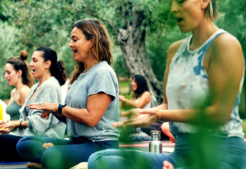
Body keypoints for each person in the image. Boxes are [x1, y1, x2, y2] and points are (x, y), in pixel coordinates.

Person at [88, 0, 246, 169]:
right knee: (99, 160)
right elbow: (167, 105)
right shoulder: (175, 50)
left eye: (180, 1)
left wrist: (160, 115)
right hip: (181, 154)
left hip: (221, 155)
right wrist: (145, 113)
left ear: (204, 1)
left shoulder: (225, 44)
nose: (173, 8)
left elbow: (219, 114)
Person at [16, 18, 120, 169]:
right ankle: (53, 160)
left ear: (91, 41)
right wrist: (54, 111)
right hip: (78, 142)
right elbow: (73, 118)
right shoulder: (81, 75)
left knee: (51, 154)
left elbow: (91, 118)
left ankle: (51, 158)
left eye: (75, 39)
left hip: (100, 146)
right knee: (24, 143)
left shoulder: (102, 72)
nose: (70, 44)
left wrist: (59, 108)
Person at [0, 47, 67, 162]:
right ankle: (7, 155)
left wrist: (14, 125)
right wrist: (8, 125)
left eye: (35, 61)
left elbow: (40, 125)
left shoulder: (50, 86)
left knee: (1, 140)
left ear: (47, 64)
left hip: (42, 139)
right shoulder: (35, 87)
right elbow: (25, 118)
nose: (31, 64)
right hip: (27, 137)